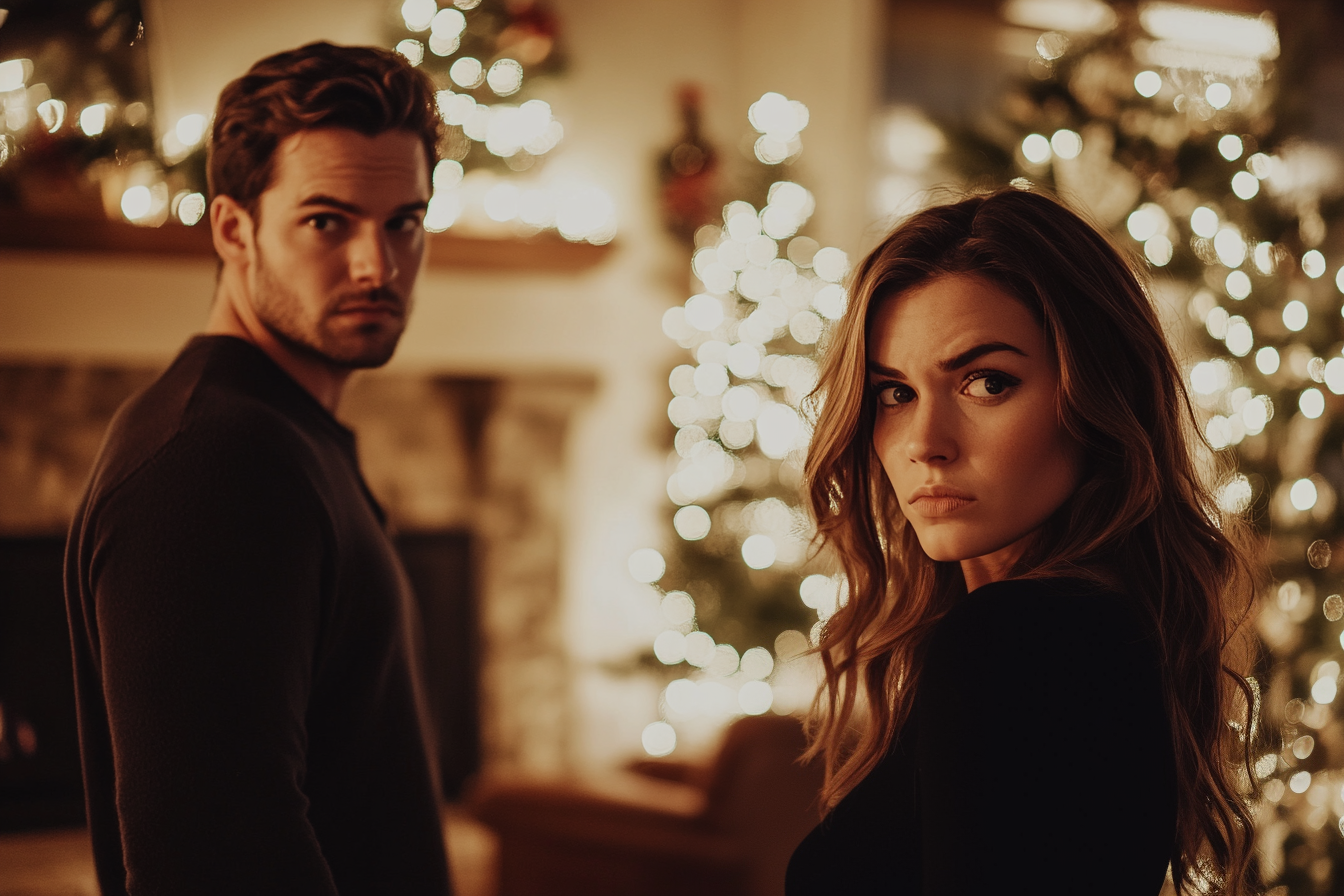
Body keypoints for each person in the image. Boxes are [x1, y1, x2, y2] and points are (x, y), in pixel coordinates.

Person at [785, 188, 1261, 895]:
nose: (925, 445)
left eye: (986, 382)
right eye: (894, 393)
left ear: (1099, 397)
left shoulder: (1017, 638)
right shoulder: (1099, 627)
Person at [64, 43, 452, 895]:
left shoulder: (281, 438)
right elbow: (211, 859)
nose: (377, 267)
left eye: (404, 222)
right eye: (327, 221)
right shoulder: (212, 461)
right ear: (233, 229)